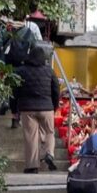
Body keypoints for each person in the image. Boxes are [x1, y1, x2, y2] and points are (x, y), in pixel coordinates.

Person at [13, 43, 59, 173]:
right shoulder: (49, 71)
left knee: (31, 136)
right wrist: (54, 106)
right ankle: (49, 153)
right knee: (49, 132)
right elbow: (56, 90)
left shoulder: (20, 71)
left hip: (27, 108)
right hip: (47, 107)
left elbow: (14, 91)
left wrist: (14, 109)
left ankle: (32, 166)